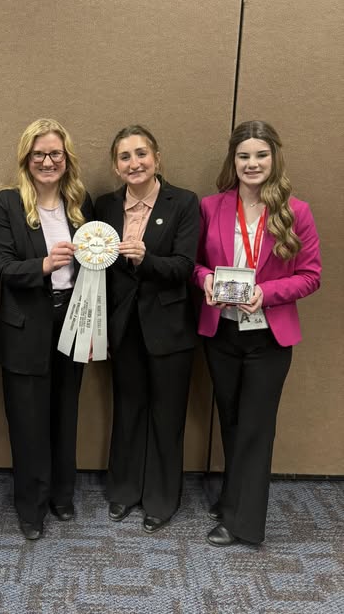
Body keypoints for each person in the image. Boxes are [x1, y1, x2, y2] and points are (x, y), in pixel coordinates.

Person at [193, 120, 321, 546]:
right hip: (222, 334)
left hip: (269, 339)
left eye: (261, 155)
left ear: (274, 158)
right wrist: (205, 279)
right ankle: (234, 498)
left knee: (255, 426)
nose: (252, 163)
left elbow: (310, 276)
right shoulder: (211, 206)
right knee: (231, 422)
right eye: (244, 155)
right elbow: (193, 264)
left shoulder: (295, 211)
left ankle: (243, 524)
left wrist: (266, 293)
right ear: (234, 160)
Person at [0, 118, 93, 540]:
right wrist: (45, 264)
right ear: (26, 159)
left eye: (55, 154)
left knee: (66, 412)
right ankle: (30, 507)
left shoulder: (83, 206)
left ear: (67, 160)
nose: (48, 161)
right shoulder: (6, 204)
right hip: (24, 325)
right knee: (28, 421)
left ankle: (61, 495)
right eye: (39, 154)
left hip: (75, 318)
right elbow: (6, 267)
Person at [95, 125, 199, 533]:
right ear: (115, 165)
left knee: (166, 413)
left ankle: (161, 497)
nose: (134, 163)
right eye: (125, 157)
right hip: (122, 326)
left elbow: (185, 266)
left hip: (169, 327)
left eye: (141, 154)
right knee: (128, 408)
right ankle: (123, 490)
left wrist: (146, 258)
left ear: (156, 157)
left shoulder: (183, 202)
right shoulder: (105, 205)